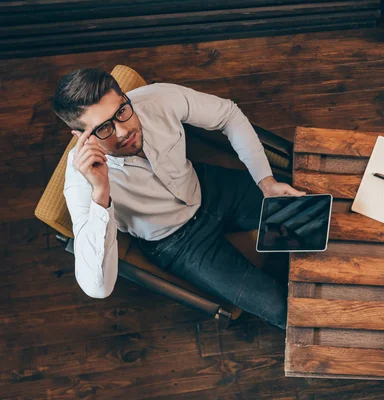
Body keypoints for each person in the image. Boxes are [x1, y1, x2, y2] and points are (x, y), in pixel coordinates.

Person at [52, 68, 305, 329]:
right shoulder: (80, 180)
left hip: (209, 189)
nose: (122, 131)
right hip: (177, 244)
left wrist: (266, 182)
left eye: (121, 112)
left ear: (125, 97)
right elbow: (98, 287)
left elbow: (228, 114)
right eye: (104, 128)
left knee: (309, 220)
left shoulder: (156, 99)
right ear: (80, 137)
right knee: (279, 307)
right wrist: (101, 194)